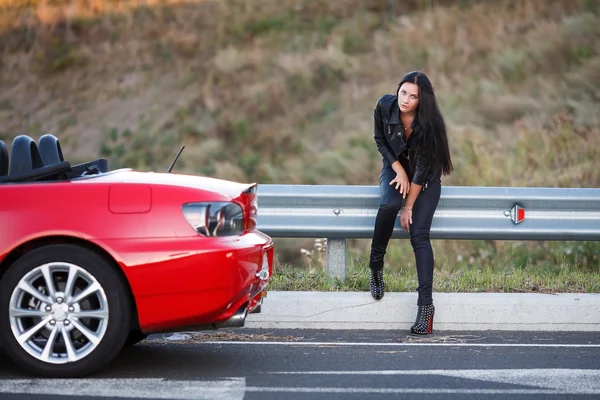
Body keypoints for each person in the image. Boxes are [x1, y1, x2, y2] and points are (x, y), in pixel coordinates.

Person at [368, 71, 453, 335]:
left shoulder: (430, 125)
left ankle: (425, 308)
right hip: (396, 169)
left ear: (422, 100)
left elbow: (424, 168)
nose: (405, 99)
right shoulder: (385, 105)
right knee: (388, 205)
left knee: (419, 235)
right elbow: (380, 140)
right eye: (403, 92)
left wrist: (409, 206)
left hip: (425, 178)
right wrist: (398, 170)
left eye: (413, 96)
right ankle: (375, 267)